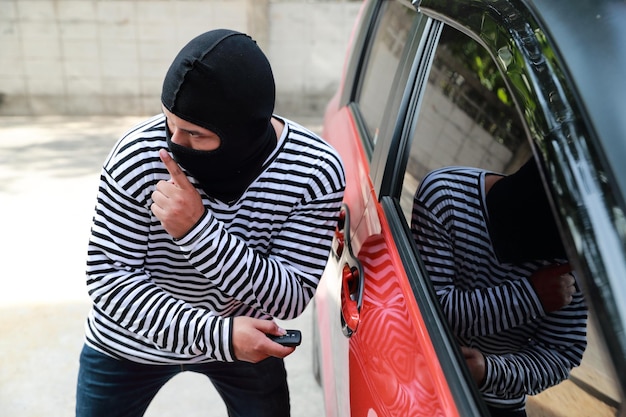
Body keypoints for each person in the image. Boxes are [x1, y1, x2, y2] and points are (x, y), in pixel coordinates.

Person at [75, 29, 346, 417]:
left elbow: (289, 297)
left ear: (244, 130)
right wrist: (218, 336)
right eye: (170, 123)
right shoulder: (138, 154)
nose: (173, 142)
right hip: (130, 340)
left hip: (245, 338)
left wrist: (196, 229)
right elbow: (109, 278)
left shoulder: (313, 170)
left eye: (194, 134)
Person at [410, 158, 587, 417]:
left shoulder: (573, 253)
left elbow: (560, 355)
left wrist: (489, 372)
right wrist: (532, 296)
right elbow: (432, 317)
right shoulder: (446, 196)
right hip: (418, 371)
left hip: (498, 399)